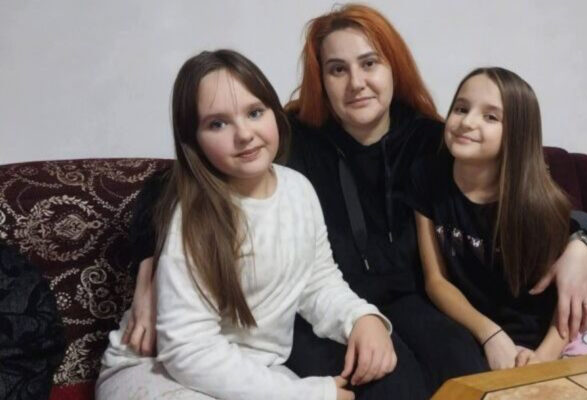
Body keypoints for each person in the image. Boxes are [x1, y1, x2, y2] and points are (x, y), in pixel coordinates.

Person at [122, 4, 587, 397]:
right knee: (393, 387)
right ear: (322, 79)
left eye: (370, 63)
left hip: (414, 301)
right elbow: (173, 184)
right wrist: (149, 266)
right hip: (320, 310)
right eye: (338, 69)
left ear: (393, 67)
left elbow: (520, 187)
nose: (356, 83)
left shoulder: (432, 139)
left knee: (468, 374)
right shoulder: (293, 137)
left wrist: (581, 244)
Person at [96, 49, 396, 400]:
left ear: (274, 112)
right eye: (217, 124)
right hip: (156, 370)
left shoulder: (298, 189)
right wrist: (310, 394)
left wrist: (361, 317)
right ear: (193, 139)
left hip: (249, 368)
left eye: (255, 113)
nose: (244, 134)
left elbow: (317, 281)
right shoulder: (194, 216)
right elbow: (188, 351)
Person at [409, 67, 587, 370]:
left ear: (517, 133)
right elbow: (436, 281)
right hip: (484, 333)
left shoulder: (537, 205)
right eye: (461, 108)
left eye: (490, 117)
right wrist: (490, 335)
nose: (467, 122)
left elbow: (568, 301)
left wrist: (542, 359)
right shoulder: (427, 177)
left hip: (557, 335)